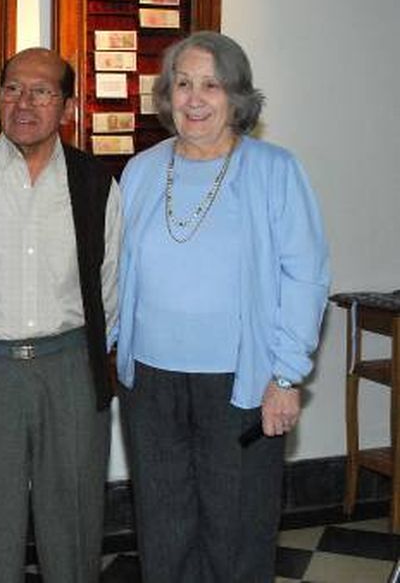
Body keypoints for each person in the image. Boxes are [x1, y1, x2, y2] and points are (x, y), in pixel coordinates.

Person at [115, 31, 330, 582]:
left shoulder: (275, 170)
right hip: (152, 384)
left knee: (236, 531)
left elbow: (305, 278)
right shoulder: (141, 170)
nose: (194, 98)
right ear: (166, 95)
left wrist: (286, 376)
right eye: (182, 83)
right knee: (163, 529)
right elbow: (117, 273)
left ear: (236, 97)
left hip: (242, 384)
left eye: (211, 84)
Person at [0, 47, 122, 583]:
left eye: (42, 91)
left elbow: (110, 284)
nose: (25, 102)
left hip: (69, 366)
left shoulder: (96, 183)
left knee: (74, 524)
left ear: (66, 105)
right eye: (13, 88)